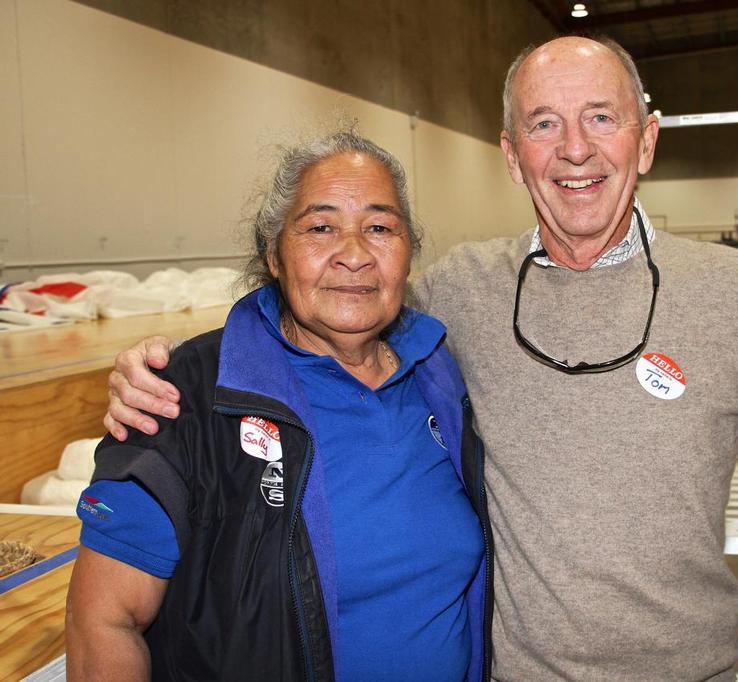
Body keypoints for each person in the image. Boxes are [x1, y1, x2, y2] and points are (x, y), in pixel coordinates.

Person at [102, 37, 738, 680]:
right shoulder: (457, 293)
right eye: (544, 125)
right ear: (511, 155)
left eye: (601, 119)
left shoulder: (733, 301)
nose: (575, 151)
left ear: (647, 139)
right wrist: (169, 369)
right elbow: (324, 292)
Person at [66, 131, 492, 681]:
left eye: (380, 228)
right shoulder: (185, 398)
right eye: (320, 227)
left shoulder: (440, 375)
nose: (355, 255)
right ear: (273, 253)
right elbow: (102, 622)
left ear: (409, 251)